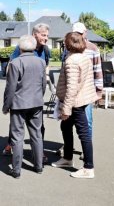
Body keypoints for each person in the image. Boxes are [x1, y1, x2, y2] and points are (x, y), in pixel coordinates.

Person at [52, 32, 98, 179]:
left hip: (75, 102)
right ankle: (67, 158)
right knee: (65, 127)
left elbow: (72, 87)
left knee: (83, 133)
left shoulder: (72, 60)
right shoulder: (84, 58)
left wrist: (66, 108)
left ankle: (88, 167)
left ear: (68, 44)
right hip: (81, 99)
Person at [3, 23, 50, 163]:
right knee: (16, 125)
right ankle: (10, 145)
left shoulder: (46, 50)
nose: (46, 38)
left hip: (35, 94)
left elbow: (45, 68)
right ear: (35, 34)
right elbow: (10, 68)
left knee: (39, 126)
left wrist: (41, 89)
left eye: (47, 35)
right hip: (20, 94)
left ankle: (39, 154)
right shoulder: (21, 48)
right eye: (43, 35)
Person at [57, 22, 103, 158]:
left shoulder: (93, 48)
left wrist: (99, 92)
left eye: (80, 33)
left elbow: (97, 71)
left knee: (85, 125)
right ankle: (68, 155)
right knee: (66, 126)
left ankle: (86, 156)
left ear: (85, 33)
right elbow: (65, 72)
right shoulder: (70, 52)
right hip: (75, 95)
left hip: (81, 95)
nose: (78, 35)